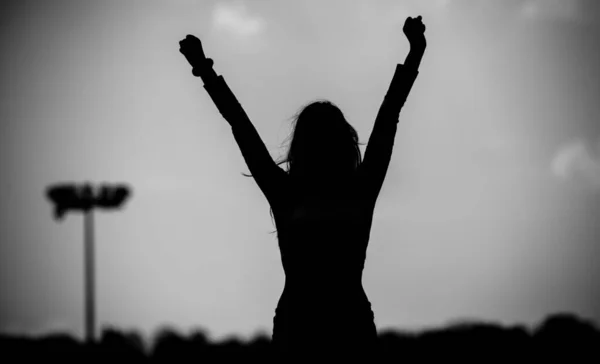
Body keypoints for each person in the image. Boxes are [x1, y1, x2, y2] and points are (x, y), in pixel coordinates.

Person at [179, 15, 426, 359]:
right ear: (346, 143)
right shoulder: (358, 188)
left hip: (307, 327)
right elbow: (389, 115)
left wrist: (203, 68)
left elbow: (240, 125)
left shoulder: (290, 192)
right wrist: (416, 52)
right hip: (341, 325)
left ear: (300, 146)